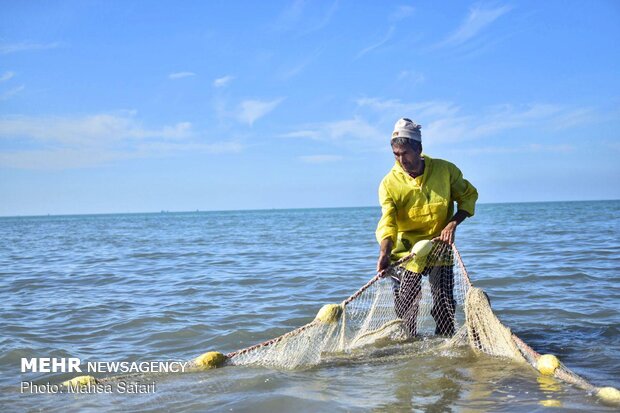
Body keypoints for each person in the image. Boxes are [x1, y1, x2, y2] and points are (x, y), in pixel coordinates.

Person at [375, 118, 478, 337]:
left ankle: (444, 351)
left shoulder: (445, 171)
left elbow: (468, 196)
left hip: (439, 247)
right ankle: (409, 351)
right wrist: (384, 253)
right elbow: (388, 222)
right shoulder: (389, 183)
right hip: (406, 253)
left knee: (444, 305)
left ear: (418, 149)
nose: (401, 160)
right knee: (406, 308)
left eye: (405, 153)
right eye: (396, 154)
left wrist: (453, 223)